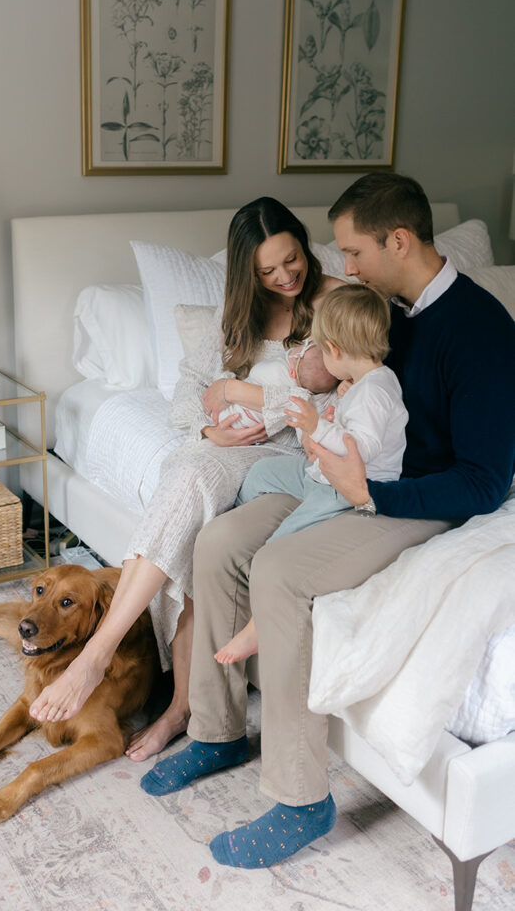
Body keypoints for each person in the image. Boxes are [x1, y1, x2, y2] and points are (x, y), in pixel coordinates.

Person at [139, 172, 515, 871]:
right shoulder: (385, 312)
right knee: (220, 541)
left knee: (280, 570)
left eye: (353, 252)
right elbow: (332, 379)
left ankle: (300, 798)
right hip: (348, 473)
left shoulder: (483, 332)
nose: (341, 267)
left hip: (415, 496)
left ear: (398, 241)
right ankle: (216, 730)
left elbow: (486, 482)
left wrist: (372, 497)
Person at [29, 197, 343, 761]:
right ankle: (176, 706)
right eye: (267, 271)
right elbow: (186, 387)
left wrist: (239, 394)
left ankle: (98, 656)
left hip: (292, 448)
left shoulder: (334, 303)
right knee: (190, 490)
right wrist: (208, 425)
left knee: (189, 473)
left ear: (304, 243)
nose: (284, 277)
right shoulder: (237, 316)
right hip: (227, 447)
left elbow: (328, 392)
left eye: (291, 260)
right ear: (248, 273)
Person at [215, 283, 408, 665]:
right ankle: (246, 511)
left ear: (335, 350)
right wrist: (334, 418)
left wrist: (318, 425)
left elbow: (359, 451)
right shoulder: (364, 384)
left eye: (320, 350)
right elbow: (354, 430)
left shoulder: (375, 392)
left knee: (275, 549)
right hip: (319, 471)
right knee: (262, 473)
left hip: (342, 487)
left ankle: (256, 629)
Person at [218, 337, 338, 430]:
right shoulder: (306, 391)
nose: (295, 350)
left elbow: (256, 373)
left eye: (300, 351)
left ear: (292, 373)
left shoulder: (278, 372)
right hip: (237, 415)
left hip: (236, 415)